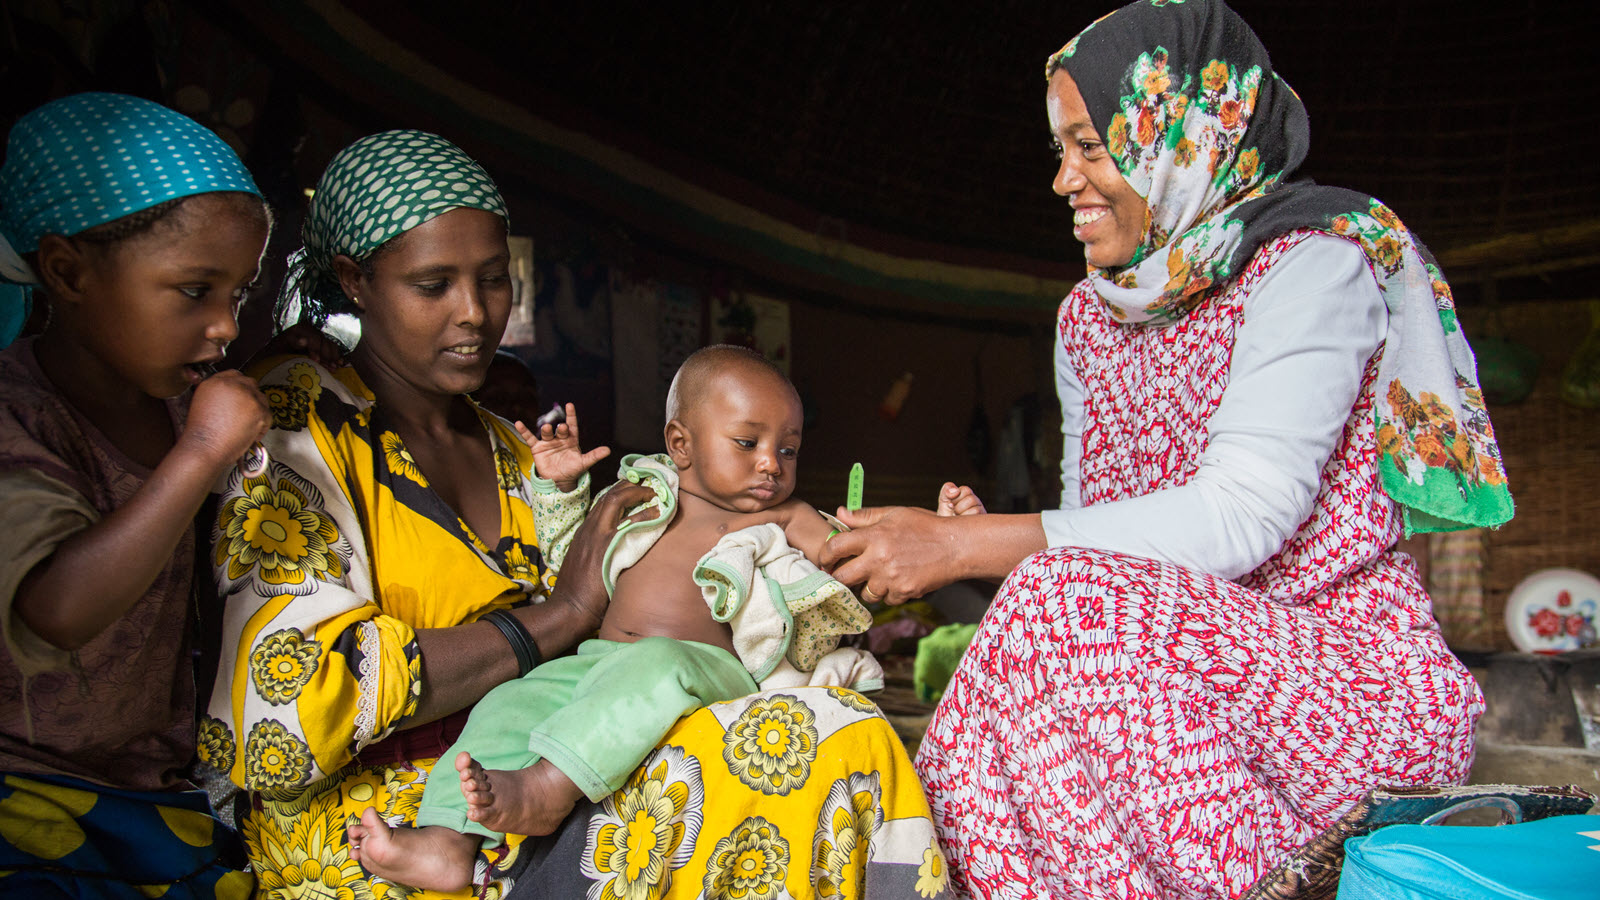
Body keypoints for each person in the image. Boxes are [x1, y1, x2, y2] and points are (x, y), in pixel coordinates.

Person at [820, 2, 1512, 897]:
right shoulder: (1090, 314)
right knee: (1036, 626)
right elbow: (1099, 534)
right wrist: (998, 544)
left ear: (1182, 136)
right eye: (1058, 150)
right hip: (1166, 683)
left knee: (1057, 600)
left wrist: (966, 546)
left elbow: (1242, 514)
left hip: (1344, 691)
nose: (1064, 179)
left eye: (1093, 146)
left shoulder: (1311, 264)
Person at [206, 131, 944, 900]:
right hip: (379, 821)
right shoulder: (295, 424)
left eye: (495, 279)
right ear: (356, 281)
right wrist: (551, 622)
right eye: (434, 285)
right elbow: (284, 715)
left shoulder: (510, 449)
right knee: (800, 764)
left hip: (565, 764)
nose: (474, 313)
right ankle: (465, 846)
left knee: (837, 738)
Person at [348, 345, 881, 891]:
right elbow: (567, 557)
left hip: (699, 670)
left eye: (788, 451)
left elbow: (850, 560)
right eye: (748, 443)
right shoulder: (642, 498)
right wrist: (562, 488)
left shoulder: (785, 515)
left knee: (654, 663)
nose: (771, 462)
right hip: (599, 661)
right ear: (681, 444)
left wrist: (878, 543)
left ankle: (549, 788)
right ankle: (446, 839)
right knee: (508, 702)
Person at [0, 92, 271, 898]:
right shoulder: (17, 414)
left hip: (157, 791)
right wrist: (200, 454)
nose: (226, 327)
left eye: (240, 295)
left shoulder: (187, 406)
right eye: (195, 291)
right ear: (67, 271)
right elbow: (56, 607)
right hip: (26, 788)